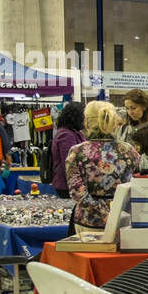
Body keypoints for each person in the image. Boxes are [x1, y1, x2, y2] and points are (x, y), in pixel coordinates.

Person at [65, 101, 137, 236]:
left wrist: (104, 214)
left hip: (89, 222)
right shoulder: (128, 150)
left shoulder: (77, 152)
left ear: (86, 122)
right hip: (125, 221)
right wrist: (116, 213)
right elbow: (139, 185)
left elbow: (77, 193)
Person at [50, 101, 85, 199]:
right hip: (66, 184)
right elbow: (69, 162)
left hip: (69, 183)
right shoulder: (66, 135)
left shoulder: (73, 132)